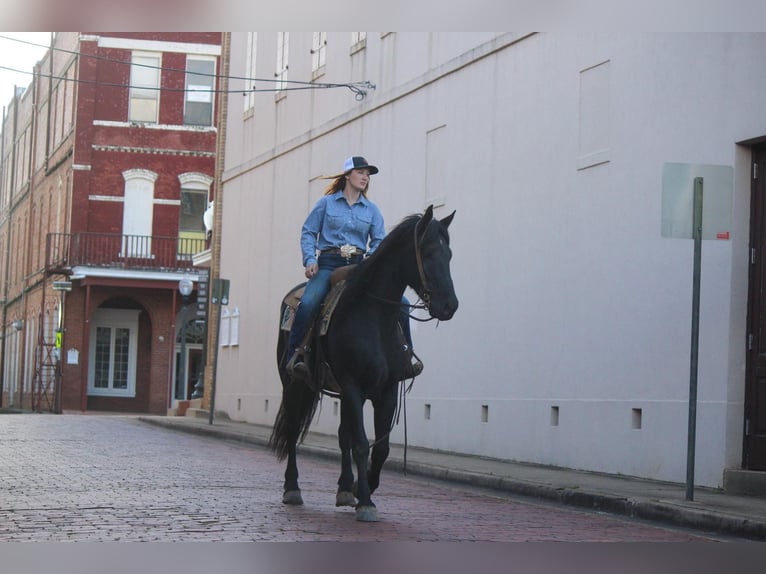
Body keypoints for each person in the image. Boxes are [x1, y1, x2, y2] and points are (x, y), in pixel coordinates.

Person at [286, 155, 422, 382]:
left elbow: (379, 240)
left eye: (368, 175)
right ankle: (296, 356)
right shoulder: (326, 204)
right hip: (329, 265)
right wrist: (310, 260)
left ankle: (406, 357)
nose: (365, 178)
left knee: (403, 304)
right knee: (308, 303)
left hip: (359, 267)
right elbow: (309, 232)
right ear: (347, 175)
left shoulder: (372, 210)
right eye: (361, 173)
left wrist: (371, 258)